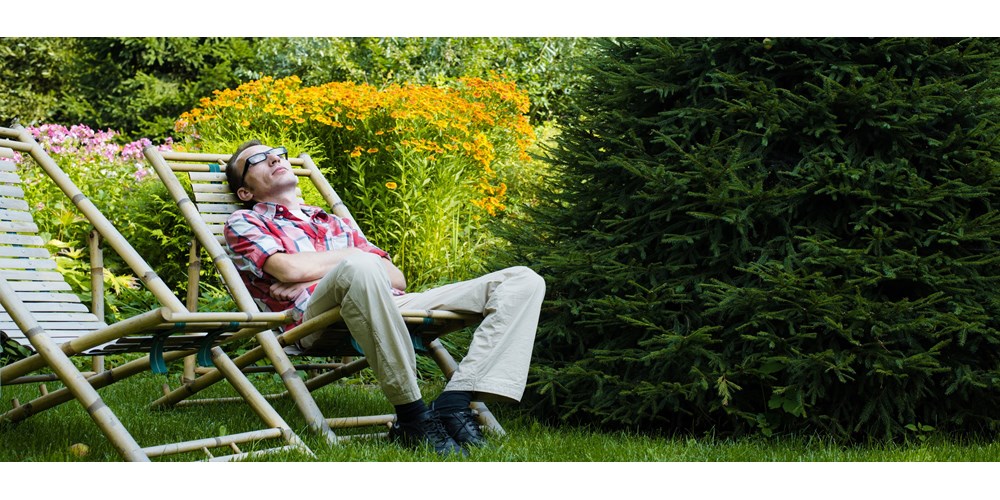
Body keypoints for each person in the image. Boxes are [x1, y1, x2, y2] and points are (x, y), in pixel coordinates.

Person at [222, 140, 545, 456]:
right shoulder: (245, 221)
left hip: (388, 301)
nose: (275, 158)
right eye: (258, 160)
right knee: (360, 264)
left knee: (521, 280)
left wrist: (324, 271)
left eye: (277, 154)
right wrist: (348, 261)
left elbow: (396, 278)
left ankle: (455, 402)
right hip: (315, 318)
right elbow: (288, 268)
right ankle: (413, 416)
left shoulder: (333, 221)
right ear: (245, 193)